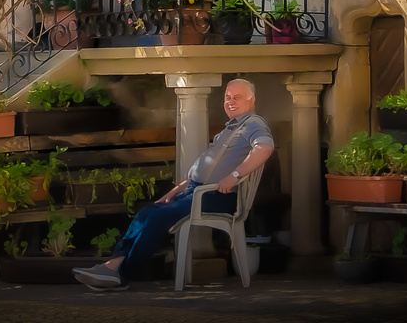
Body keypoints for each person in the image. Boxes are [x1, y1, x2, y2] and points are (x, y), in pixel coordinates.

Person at [73, 77, 274, 291]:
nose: (230, 101)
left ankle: (120, 273)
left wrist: (234, 175)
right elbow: (208, 168)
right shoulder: (229, 129)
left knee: (158, 217)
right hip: (195, 191)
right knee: (146, 213)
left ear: (252, 100)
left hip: (218, 195)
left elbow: (264, 148)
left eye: (237, 97)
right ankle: (113, 267)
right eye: (227, 97)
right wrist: (177, 189)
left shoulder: (253, 123)